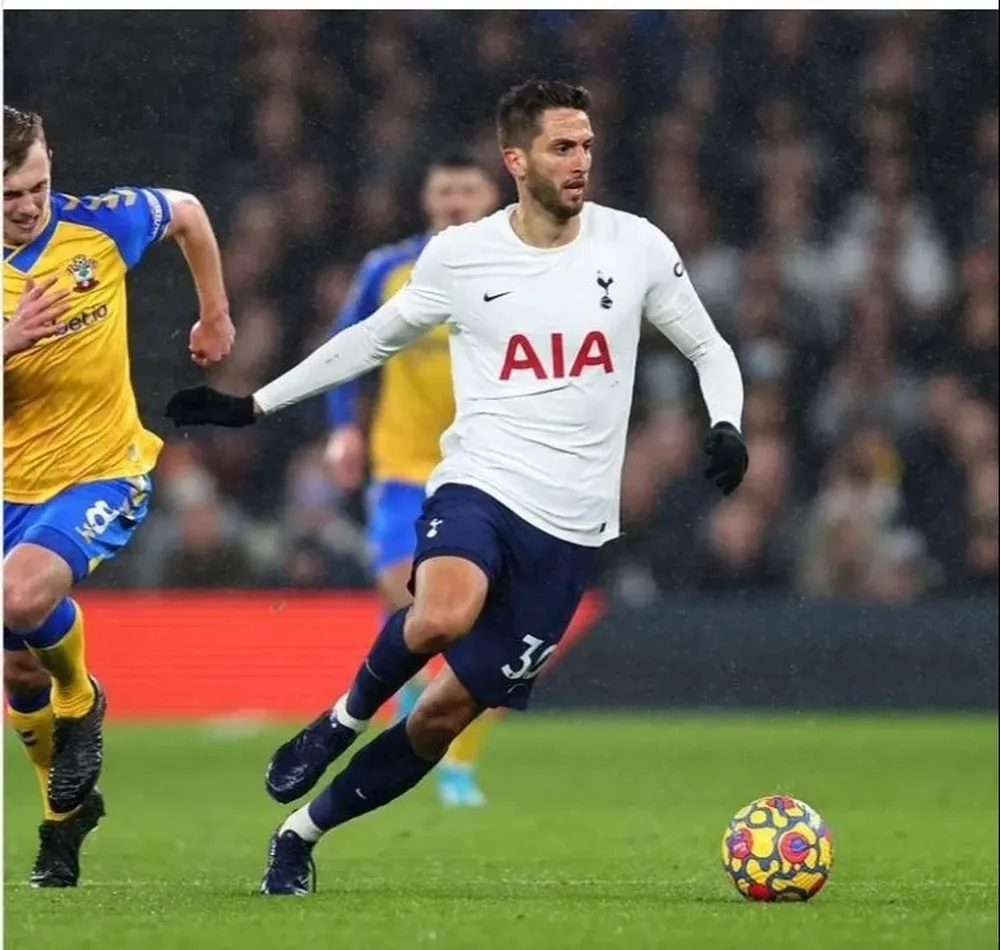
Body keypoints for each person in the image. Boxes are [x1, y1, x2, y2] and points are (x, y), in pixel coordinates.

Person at [164, 78, 748, 897]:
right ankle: (338, 721)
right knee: (442, 611)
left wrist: (727, 423)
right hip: (481, 479)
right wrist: (253, 405)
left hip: (572, 526)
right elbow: (369, 340)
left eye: (586, 145)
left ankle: (300, 834)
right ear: (517, 161)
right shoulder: (462, 256)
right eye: (561, 147)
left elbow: (710, 348)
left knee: (440, 716)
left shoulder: (636, 245)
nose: (580, 162)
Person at [3, 104, 234, 887]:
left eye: (37, 186)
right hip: (8, 488)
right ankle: (64, 824)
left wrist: (214, 314)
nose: (29, 206)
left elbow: (189, 213)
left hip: (101, 470)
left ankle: (82, 697)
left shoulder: (98, 226)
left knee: (20, 595)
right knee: (17, 676)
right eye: (10, 196)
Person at [325, 152, 499, 808]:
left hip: (484, 467)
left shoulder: (520, 269)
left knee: (481, 627)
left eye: (467, 189)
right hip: (402, 466)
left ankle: (457, 767)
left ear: (490, 197)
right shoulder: (388, 269)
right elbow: (344, 346)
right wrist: (342, 428)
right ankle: (410, 708)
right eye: (444, 188)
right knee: (407, 600)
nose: (455, 200)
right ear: (428, 198)